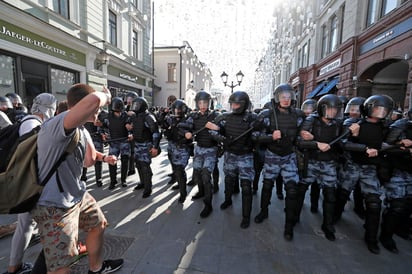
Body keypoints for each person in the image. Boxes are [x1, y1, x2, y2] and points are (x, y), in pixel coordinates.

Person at [31, 84, 123, 273]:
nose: (98, 112)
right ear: (83, 105)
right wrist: (105, 96)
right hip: (54, 206)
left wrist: (103, 157)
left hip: (76, 195)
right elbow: (95, 100)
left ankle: (96, 268)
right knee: (62, 267)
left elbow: (88, 161)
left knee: (98, 224)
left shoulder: (80, 129)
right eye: (97, 109)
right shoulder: (58, 123)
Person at [3, 93, 57, 274]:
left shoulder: (29, 121)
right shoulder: (33, 124)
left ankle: (14, 267)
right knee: (29, 225)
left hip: (25, 183)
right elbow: (32, 157)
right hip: (27, 184)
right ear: (48, 109)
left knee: (25, 225)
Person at [336, 94, 394, 254]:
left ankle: (371, 239)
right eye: (377, 108)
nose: (380, 112)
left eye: (384, 109)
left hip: (370, 169)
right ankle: (334, 218)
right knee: (342, 193)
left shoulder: (387, 127)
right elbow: (343, 144)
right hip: (353, 165)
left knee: (374, 204)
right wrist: (357, 139)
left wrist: (383, 149)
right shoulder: (354, 124)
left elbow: (391, 143)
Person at [252, 84, 304, 240]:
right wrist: (270, 137)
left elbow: (303, 134)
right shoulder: (267, 115)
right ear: (277, 98)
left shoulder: (298, 115)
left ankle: (289, 225)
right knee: (267, 185)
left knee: (292, 190)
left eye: (289, 97)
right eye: (283, 97)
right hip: (272, 154)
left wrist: (305, 136)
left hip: (289, 156)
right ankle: (263, 211)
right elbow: (255, 135)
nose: (286, 100)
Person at [207, 91, 259, 228]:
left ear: (243, 104)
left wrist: (256, 133)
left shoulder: (253, 118)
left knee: (246, 187)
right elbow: (212, 130)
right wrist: (223, 139)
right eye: (232, 104)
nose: (234, 106)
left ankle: (246, 216)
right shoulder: (224, 117)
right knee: (229, 180)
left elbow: (261, 134)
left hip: (246, 155)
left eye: (237, 104)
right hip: (230, 154)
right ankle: (228, 200)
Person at [297, 94, 344, 241]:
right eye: (330, 109)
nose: (333, 112)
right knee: (301, 190)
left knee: (330, 195)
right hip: (311, 161)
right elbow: (299, 142)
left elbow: (343, 143)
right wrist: (316, 143)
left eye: (336, 109)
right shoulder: (311, 121)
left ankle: (328, 225)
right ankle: (293, 218)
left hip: (329, 163)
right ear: (322, 108)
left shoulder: (338, 124)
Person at [179, 91, 220, 218]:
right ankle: (201, 192)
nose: (202, 105)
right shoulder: (194, 116)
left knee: (206, 176)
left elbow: (224, 128)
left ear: (209, 103)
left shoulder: (215, 115)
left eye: (205, 102)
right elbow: (182, 126)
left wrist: (216, 127)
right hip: (199, 148)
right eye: (200, 103)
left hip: (211, 149)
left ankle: (208, 205)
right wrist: (186, 133)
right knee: (197, 173)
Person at [378, 108, 412, 253]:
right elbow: (383, 147)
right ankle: (386, 237)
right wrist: (403, 147)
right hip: (398, 171)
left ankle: (401, 229)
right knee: (396, 205)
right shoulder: (400, 126)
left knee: (409, 205)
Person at [129, 97, 161, 198]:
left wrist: (155, 147)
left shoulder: (149, 117)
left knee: (145, 166)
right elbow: (134, 128)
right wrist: (131, 134)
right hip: (137, 144)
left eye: (137, 105)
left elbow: (156, 132)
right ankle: (142, 183)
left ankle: (148, 188)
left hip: (146, 144)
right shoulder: (135, 116)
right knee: (138, 165)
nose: (134, 107)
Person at [161, 99, 192, 203]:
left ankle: (183, 193)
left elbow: (191, 133)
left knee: (179, 170)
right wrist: (163, 114)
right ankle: (178, 183)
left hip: (182, 148)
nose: (177, 111)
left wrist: (185, 134)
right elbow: (162, 124)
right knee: (175, 168)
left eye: (179, 109)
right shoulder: (171, 119)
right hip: (171, 146)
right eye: (175, 109)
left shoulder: (189, 120)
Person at [103, 97, 132, 189]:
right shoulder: (108, 116)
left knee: (125, 161)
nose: (118, 112)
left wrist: (131, 133)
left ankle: (123, 180)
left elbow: (131, 127)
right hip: (114, 142)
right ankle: (113, 181)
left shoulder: (126, 115)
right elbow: (102, 126)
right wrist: (103, 134)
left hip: (124, 141)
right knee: (112, 162)